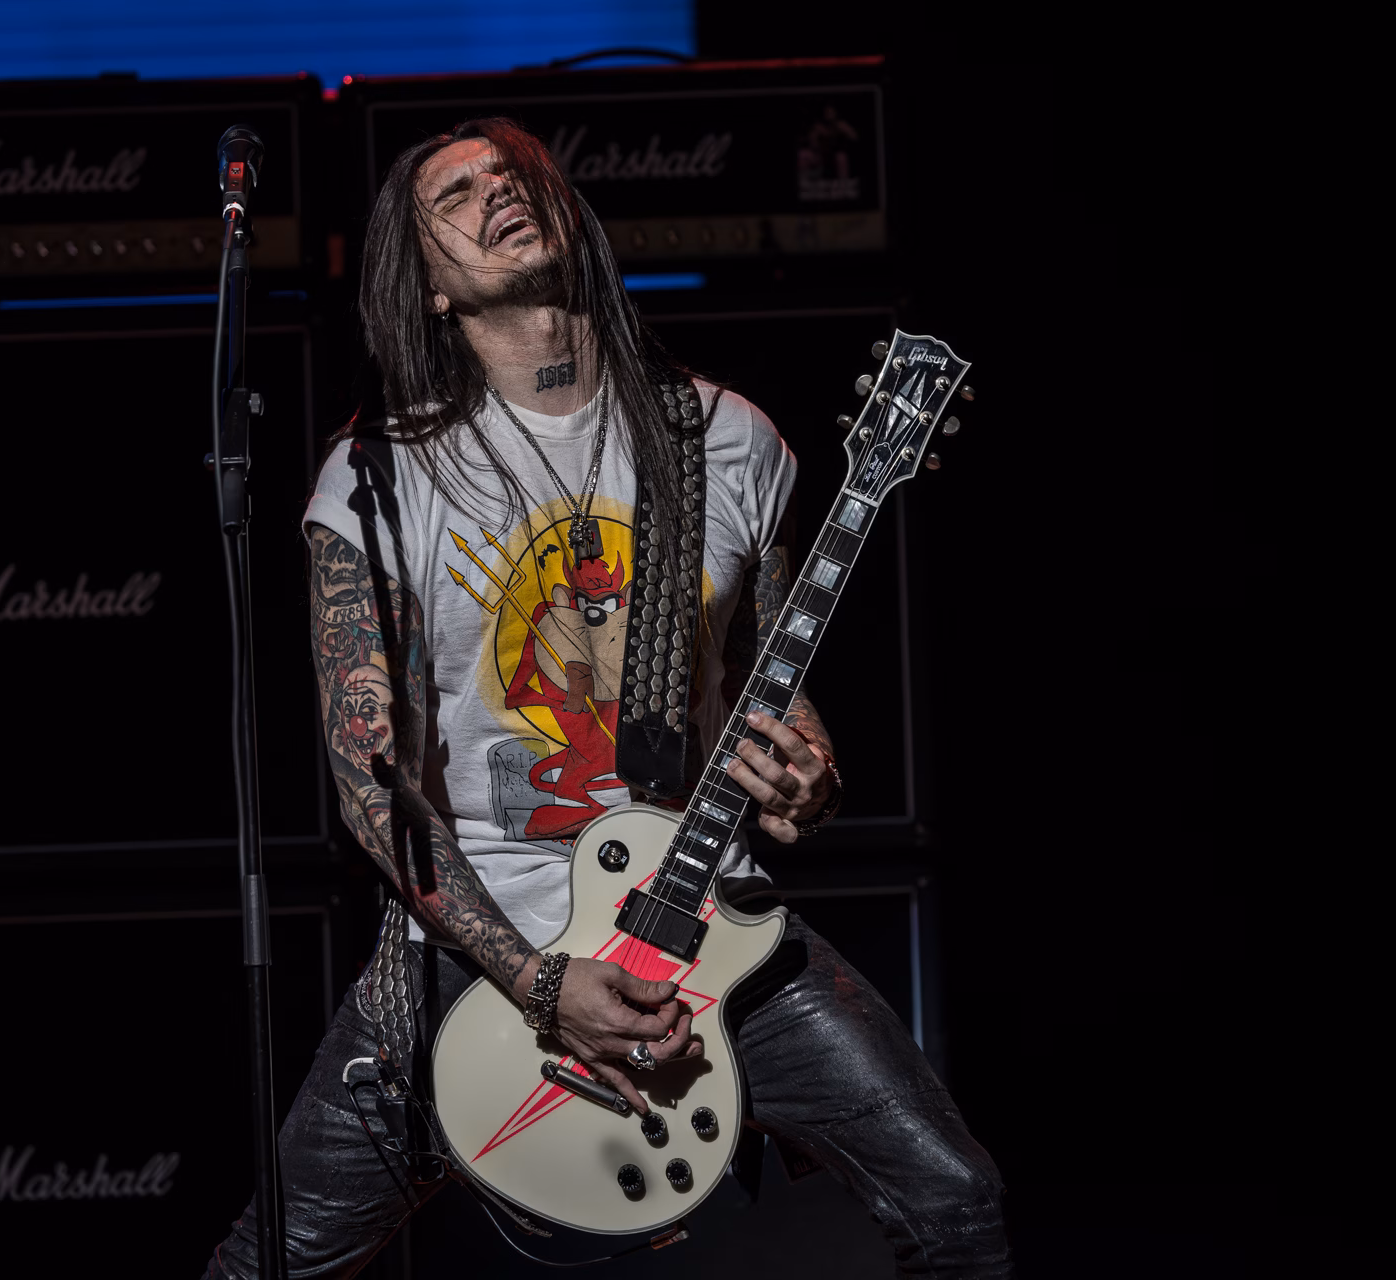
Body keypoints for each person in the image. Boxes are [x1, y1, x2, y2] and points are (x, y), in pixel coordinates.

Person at [206, 118, 1009, 1278]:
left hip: (703, 930)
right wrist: (539, 981)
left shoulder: (726, 441)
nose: (497, 192)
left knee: (958, 1197)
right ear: (430, 287)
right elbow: (372, 782)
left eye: (514, 173)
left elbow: (763, 683)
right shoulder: (380, 474)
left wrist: (809, 775)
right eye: (455, 194)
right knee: (266, 1265)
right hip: (474, 944)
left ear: (571, 215)